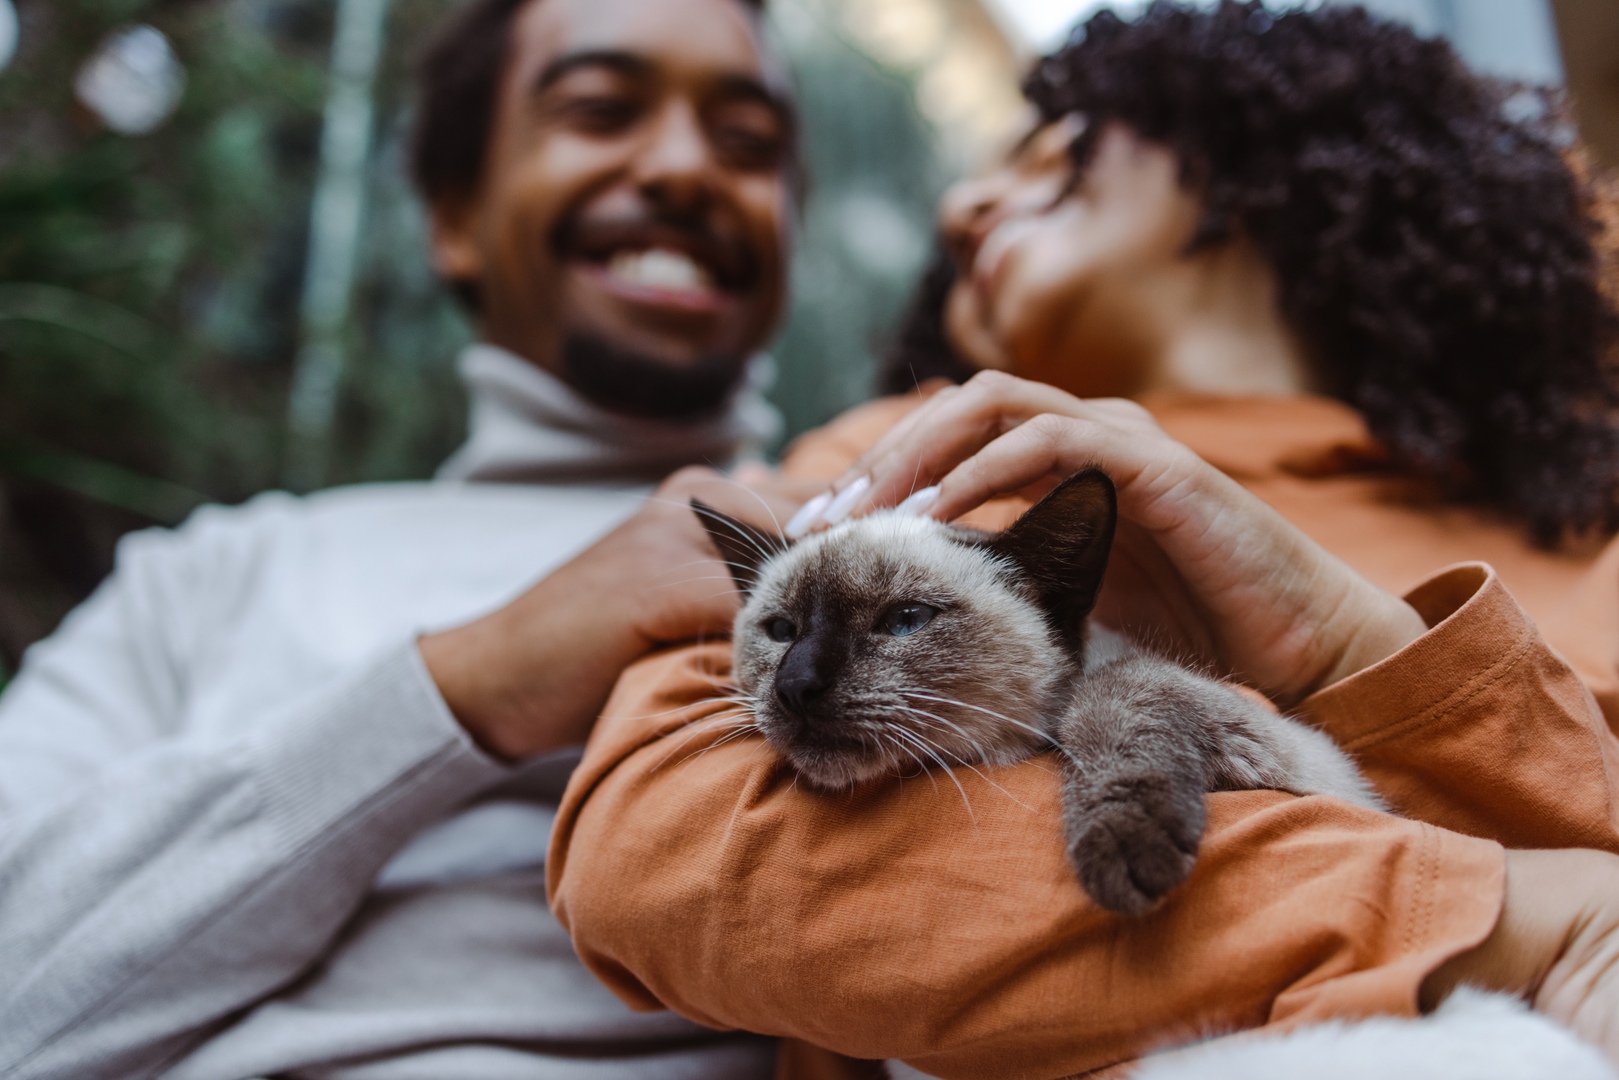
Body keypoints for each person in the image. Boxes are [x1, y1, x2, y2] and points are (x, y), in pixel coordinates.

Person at [546, 3, 1619, 1077]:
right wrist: (1511, 920)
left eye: (1050, 155)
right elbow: (663, 861)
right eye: (964, 192)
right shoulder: (904, 468)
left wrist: (1339, 641)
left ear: (1261, 158)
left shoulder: (1586, 541)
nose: (962, 203)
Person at [0, 0, 810, 1075]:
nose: (683, 166)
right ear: (453, 216)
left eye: (746, 142)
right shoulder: (209, 576)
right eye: (600, 109)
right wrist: (469, 686)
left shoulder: (871, 578)